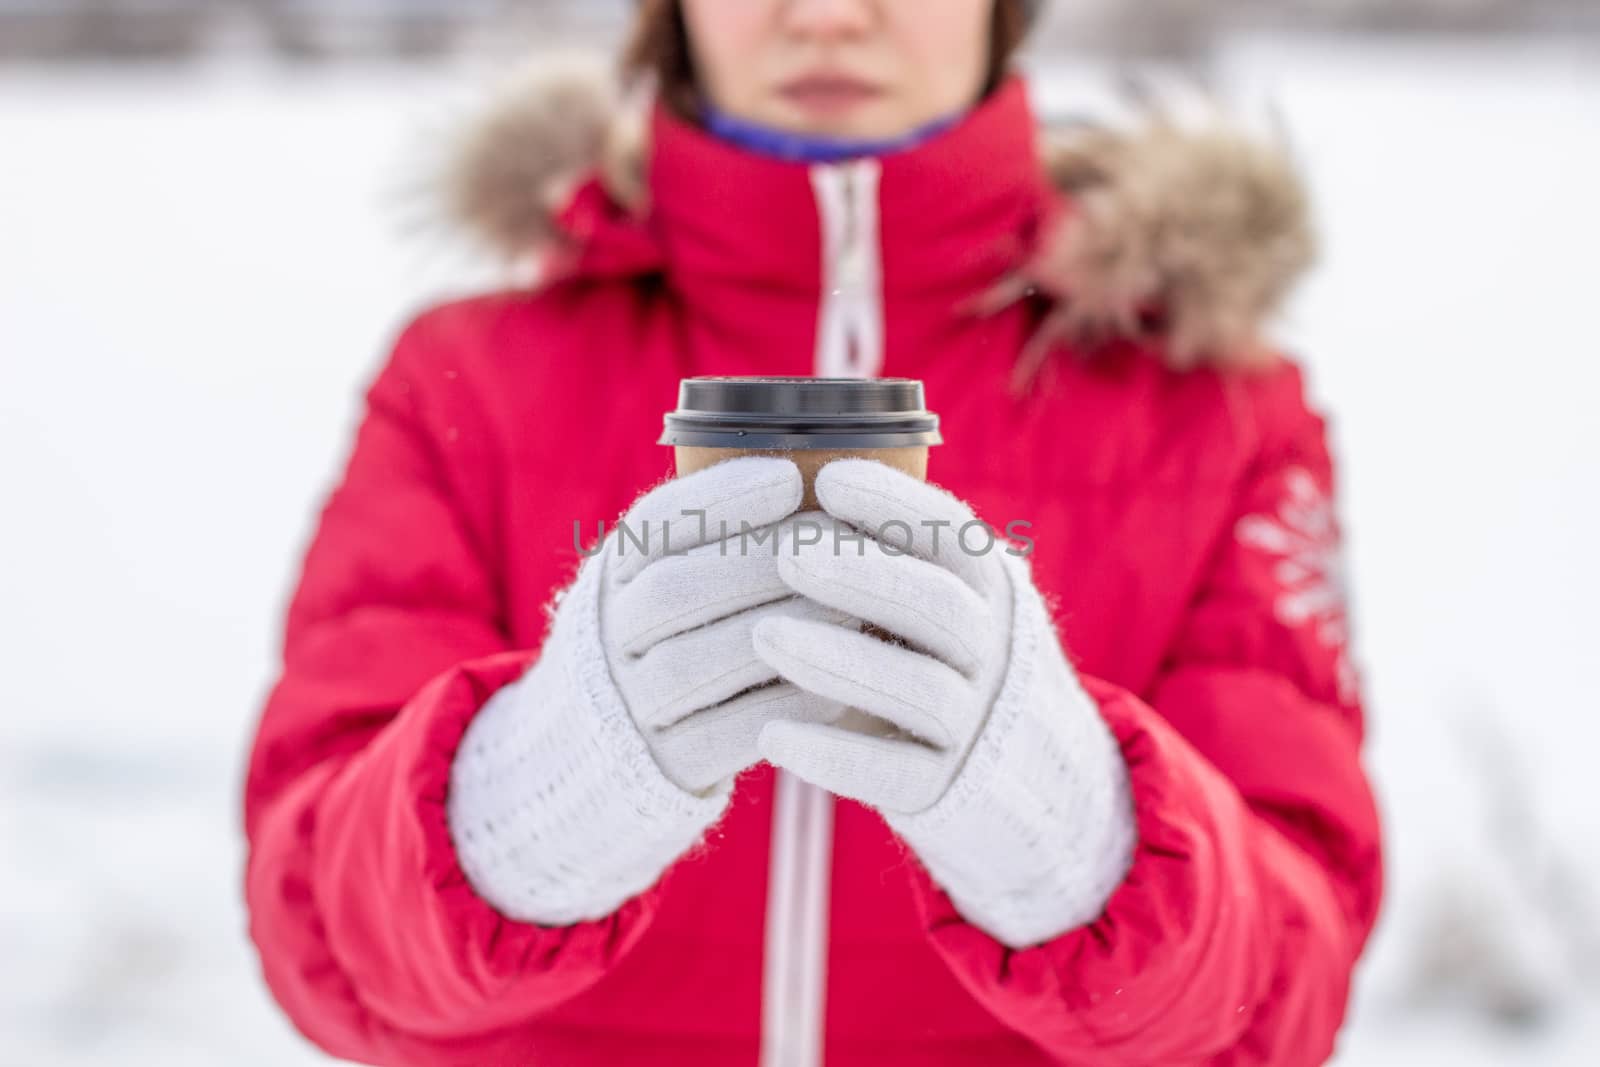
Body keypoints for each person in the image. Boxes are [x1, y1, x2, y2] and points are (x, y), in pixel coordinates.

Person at [242, 1, 1383, 1064]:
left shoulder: (1217, 407)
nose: (830, 14)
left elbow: (1293, 982)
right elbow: (315, 933)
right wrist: (528, 802)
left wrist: (1073, 828)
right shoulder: (471, 380)